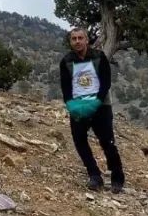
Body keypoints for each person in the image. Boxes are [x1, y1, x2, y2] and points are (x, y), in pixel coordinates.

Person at [59, 27, 125, 193]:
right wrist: (70, 105)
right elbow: (65, 86)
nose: (77, 41)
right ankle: (94, 175)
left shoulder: (99, 57)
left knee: (107, 142)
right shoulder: (66, 61)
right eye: (74, 39)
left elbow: (106, 82)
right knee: (79, 140)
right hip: (79, 106)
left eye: (80, 38)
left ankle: (117, 177)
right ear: (70, 42)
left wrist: (97, 101)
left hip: (100, 105)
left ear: (87, 40)